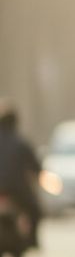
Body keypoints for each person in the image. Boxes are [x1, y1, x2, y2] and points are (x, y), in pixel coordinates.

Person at [0, 100, 41, 248]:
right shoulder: (21, 142)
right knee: (36, 210)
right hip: (17, 191)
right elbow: (36, 166)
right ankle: (32, 240)